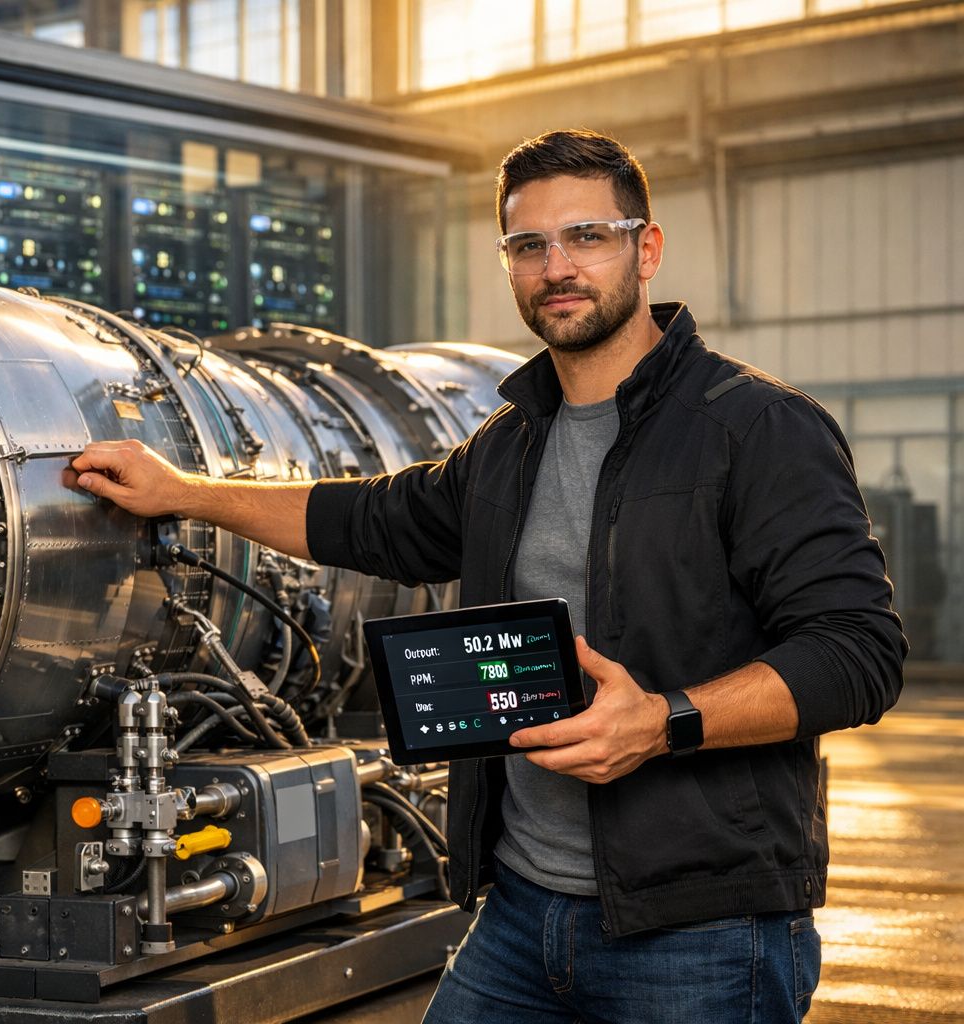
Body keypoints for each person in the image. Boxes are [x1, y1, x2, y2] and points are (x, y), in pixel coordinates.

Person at [70, 128, 906, 1023]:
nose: (558, 267)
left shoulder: (758, 429)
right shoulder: (510, 445)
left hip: (700, 929)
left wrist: (665, 723)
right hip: (520, 910)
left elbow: (858, 652)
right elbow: (369, 520)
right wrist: (184, 492)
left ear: (647, 249)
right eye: (529, 245)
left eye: (587, 236)